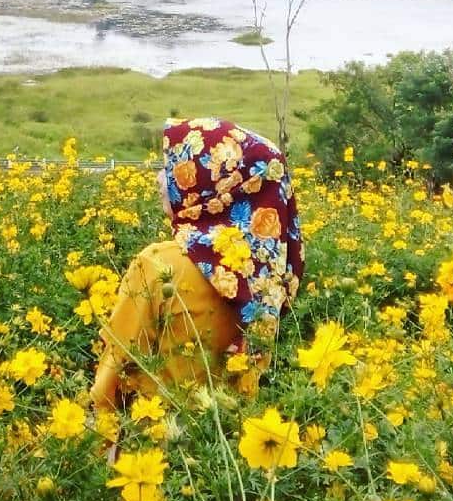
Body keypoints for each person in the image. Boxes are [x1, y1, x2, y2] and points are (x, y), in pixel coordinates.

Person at [90, 117, 303, 411]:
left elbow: (112, 375)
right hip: (228, 440)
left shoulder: (158, 264)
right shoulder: (268, 273)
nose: (158, 179)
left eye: (172, 169)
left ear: (211, 184)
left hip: (152, 439)